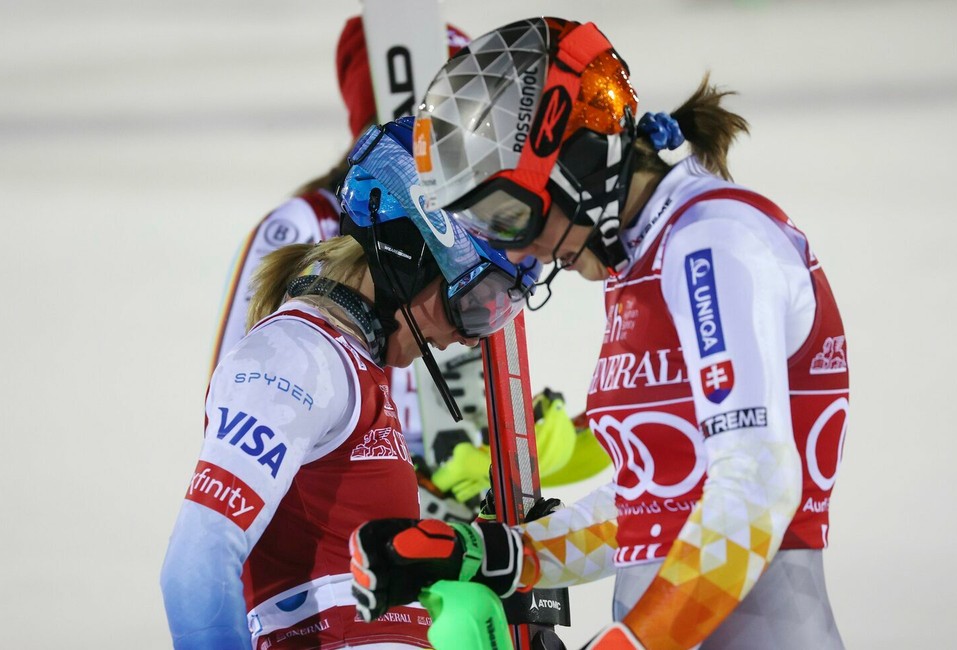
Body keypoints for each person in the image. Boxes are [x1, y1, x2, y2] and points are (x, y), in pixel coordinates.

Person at [350, 17, 849, 649]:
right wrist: (492, 552)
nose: (519, 252)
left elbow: (755, 491)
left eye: (510, 215)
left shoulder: (712, 243)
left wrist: (627, 644)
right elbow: (653, 503)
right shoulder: (646, 260)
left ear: (577, 163)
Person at [210, 14, 607, 525]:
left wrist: (538, 443)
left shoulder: (479, 235)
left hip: (434, 516)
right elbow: (241, 407)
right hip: (344, 511)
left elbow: (470, 373)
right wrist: (410, 484)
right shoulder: (306, 224)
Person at [160, 117, 538, 649]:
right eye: (473, 304)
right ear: (407, 259)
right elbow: (195, 563)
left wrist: (478, 556)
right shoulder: (294, 357)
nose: (469, 337)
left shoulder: (351, 366)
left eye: (496, 311)